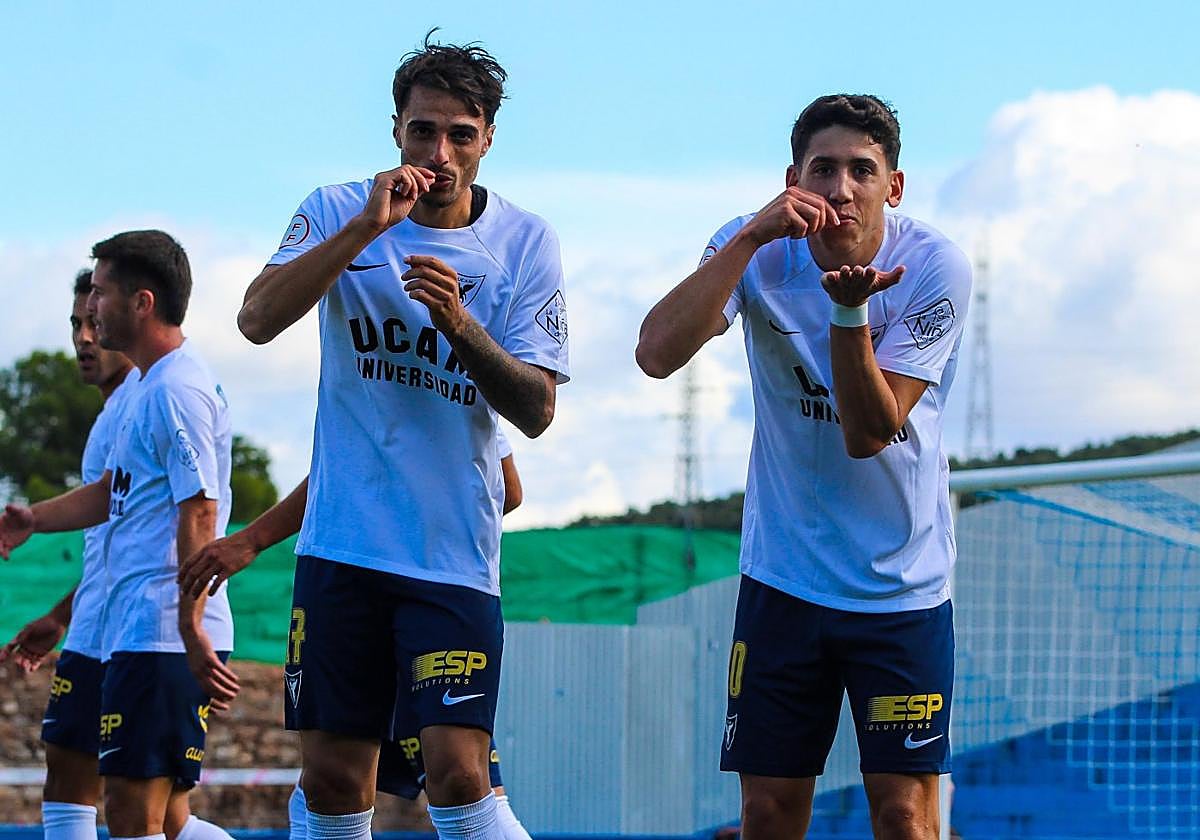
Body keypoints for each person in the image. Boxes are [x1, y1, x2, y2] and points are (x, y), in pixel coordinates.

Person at [236, 30, 569, 840]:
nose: (441, 152)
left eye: (461, 133)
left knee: (456, 772)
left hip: (451, 554)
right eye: (424, 130)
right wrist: (361, 231)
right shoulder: (334, 208)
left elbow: (536, 409)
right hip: (343, 546)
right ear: (396, 130)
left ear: (488, 139)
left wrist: (458, 321)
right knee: (332, 778)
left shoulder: (526, 243)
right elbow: (255, 320)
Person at [636, 94, 971, 839]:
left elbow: (869, 432)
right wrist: (752, 236)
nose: (841, 189)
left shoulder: (934, 266)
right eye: (824, 169)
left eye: (862, 170)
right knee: (766, 812)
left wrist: (850, 314)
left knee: (905, 815)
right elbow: (656, 354)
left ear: (895, 185)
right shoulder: (756, 246)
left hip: (901, 589)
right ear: (794, 177)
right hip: (784, 581)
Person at [0, 231, 239, 840]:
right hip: (135, 627)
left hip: (161, 629)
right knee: (145, 814)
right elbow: (114, 492)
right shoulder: (146, 391)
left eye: (100, 297)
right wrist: (35, 520)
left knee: (139, 817)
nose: (90, 314)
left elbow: (201, 510)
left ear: (142, 303)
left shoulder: (177, 388)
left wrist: (190, 627)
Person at [178, 432, 531, 840]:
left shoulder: (459, 380)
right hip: (353, 588)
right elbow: (339, 474)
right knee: (326, 788)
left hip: (436, 589)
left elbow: (510, 487)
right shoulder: (355, 388)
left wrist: (426, 528)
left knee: (463, 784)